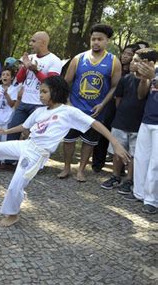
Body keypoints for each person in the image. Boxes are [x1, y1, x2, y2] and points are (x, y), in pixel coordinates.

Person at [0, 76, 130, 227]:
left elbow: (95, 124)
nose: (41, 95)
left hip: (37, 154)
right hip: (27, 144)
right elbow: (25, 126)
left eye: (44, 92)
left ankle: (12, 214)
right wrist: (6, 132)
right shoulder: (39, 111)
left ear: (56, 92)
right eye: (40, 92)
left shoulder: (68, 112)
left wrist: (115, 143)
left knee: (15, 185)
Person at [59, 24, 122, 182]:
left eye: (100, 39)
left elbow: (115, 87)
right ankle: (66, 167)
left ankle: (81, 170)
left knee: (89, 142)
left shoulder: (114, 61)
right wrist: (67, 102)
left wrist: (103, 104)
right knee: (69, 140)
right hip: (74, 108)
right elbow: (66, 82)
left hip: (96, 111)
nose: (96, 42)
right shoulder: (78, 58)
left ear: (107, 41)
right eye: (93, 39)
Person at [100, 49, 147, 195]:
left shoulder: (149, 82)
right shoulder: (125, 79)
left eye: (137, 61)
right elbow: (118, 100)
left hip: (138, 124)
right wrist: (121, 114)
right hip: (120, 121)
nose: (132, 62)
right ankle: (115, 176)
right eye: (133, 60)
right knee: (117, 152)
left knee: (133, 154)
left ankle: (129, 180)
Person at [6, 32, 62, 150]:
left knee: (35, 135)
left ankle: (32, 162)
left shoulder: (54, 60)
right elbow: (20, 79)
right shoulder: (30, 57)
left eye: (33, 41)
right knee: (13, 130)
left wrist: (35, 70)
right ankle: (9, 162)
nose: (30, 44)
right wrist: (24, 67)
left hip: (40, 104)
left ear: (43, 43)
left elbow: (52, 84)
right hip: (24, 102)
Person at [92, 44, 139, 172]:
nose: (125, 56)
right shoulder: (114, 66)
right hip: (109, 105)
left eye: (130, 54)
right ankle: (97, 163)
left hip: (124, 110)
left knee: (123, 139)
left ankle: (121, 168)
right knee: (103, 132)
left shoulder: (134, 74)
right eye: (124, 53)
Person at [131, 48, 158, 214]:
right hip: (147, 120)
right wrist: (143, 80)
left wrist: (153, 77)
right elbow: (141, 96)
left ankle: (152, 200)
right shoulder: (153, 73)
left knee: (155, 163)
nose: (135, 64)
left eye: (137, 61)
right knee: (141, 159)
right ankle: (140, 192)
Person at [0, 69, 19, 166]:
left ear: (12, 78)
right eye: (3, 75)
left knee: (4, 140)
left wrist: (6, 94)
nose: (5, 76)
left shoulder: (14, 89)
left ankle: (3, 160)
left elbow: (12, 104)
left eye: (8, 75)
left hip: (7, 117)